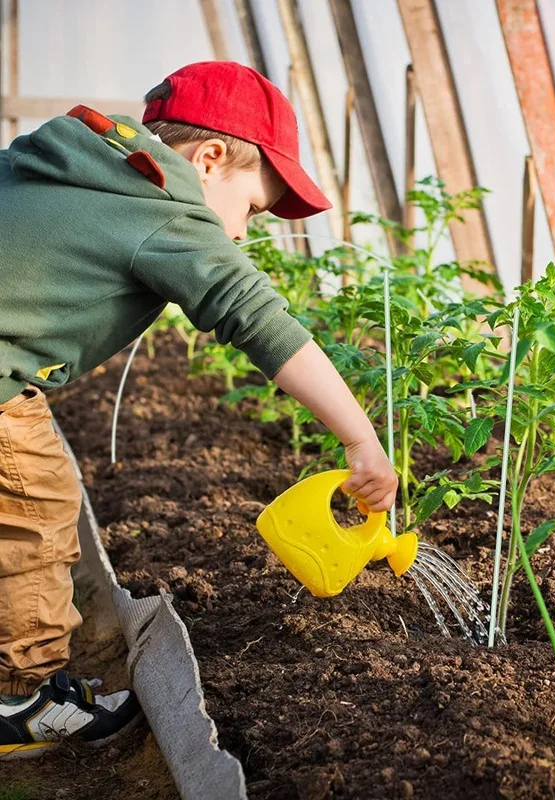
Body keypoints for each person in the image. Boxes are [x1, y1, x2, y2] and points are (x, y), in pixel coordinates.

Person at [0, 61, 397, 758]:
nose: (242, 233)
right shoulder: (165, 208)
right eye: (251, 208)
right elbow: (257, 318)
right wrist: (360, 438)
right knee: (35, 507)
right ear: (209, 160)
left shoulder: (79, 161)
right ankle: (20, 699)